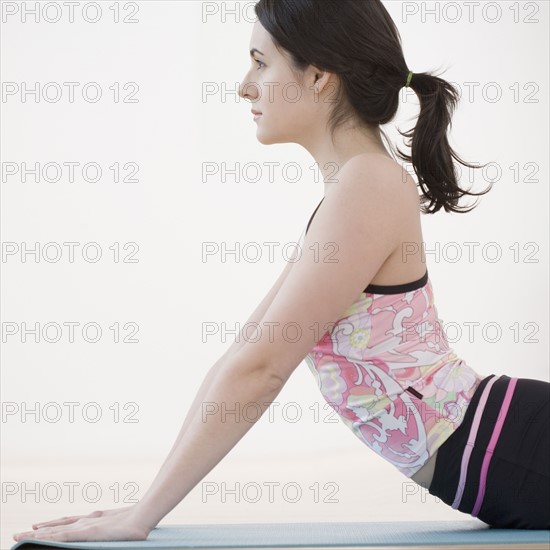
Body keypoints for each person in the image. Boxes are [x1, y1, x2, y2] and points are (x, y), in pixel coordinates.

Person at [13, 0, 549, 542]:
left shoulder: (369, 186)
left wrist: (141, 515)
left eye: (260, 62)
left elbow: (262, 369)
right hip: (507, 455)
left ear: (318, 76)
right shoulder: (352, 190)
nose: (246, 86)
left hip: (514, 445)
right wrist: (142, 508)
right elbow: (246, 357)